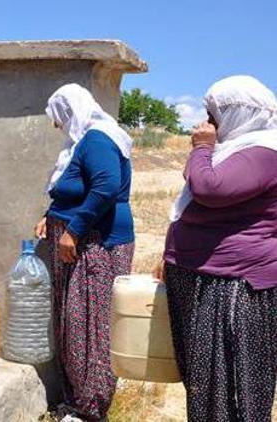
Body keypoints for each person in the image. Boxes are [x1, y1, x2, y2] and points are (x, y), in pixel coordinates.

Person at [160, 75, 277, 422]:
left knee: (232, 383)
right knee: (206, 381)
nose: (206, 123)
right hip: (207, 279)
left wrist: (201, 148)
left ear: (238, 113)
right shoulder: (237, 148)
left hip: (234, 285)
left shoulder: (265, 152)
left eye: (213, 115)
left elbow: (210, 187)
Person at [34, 84, 135, 421]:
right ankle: (78, 402)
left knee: (89, 326)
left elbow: (105, 187)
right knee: (75, 322)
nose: (56, 125)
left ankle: (90, 408)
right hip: (80, 242)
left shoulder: (98, 138)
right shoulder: (85, 141)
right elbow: (74, 190)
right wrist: (49, 217)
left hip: (95, 244)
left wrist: (73, 230)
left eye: (58, 117)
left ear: (71, 110)